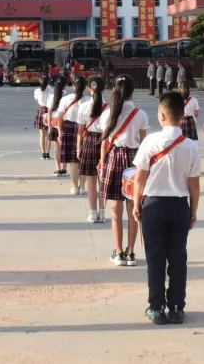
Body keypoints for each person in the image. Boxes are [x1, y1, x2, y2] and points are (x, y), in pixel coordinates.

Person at [131, 91, 201, 326]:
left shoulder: (150, 142)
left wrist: (136, 204)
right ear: (182, 115)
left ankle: (156, 307)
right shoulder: (191, 146)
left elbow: (139, 178)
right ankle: (177, 307)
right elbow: (194, 184)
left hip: (153, 205)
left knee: (155, 258)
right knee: (178, 257)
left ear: (161, 114)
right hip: (180, 205)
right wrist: (193, 211)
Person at [93, 76, 149, 267]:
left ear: (115, 90)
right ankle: (131, 252)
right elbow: (144, 144)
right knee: (133, 207)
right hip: (134, 159)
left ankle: (118, 253)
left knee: (115, 209)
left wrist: (102, 166)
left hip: (114, 158)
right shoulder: (140, 114)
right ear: (132, 91)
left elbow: (104, 144)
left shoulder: (108, 114)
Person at [76, 76, 108, 223]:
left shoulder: (83, 106)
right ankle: (102, 212)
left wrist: (78, 149)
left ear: (89, 89)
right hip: (105, 141)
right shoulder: (109, 107)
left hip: (89, 141)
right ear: (103, 89)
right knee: (103, 179)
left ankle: (93, 213)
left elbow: (80, 131)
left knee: (91, 180)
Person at [55, 76, 89, 195]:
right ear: (85, 87)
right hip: (85, 129)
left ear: (73, 86)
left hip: (68, 128)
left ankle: (75, 187)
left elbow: (60, 118)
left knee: (73, 161)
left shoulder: (65, 99)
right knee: (83, 159)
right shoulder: (89, 100)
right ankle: (82, 187)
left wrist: (60, 133)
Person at [45, 78, 69, 176]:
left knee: (57, 147)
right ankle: (64, 168)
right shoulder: (67, 96)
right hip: (65, 122)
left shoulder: (52, 97)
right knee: (65, 146)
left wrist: (49, 126)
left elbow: (49, 112)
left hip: (54, 122)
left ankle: (58, 168)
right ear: (65, 85)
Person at [34, 76, 52, 161]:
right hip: (49, 110)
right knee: (48, 134)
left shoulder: (37, 91)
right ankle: (47, 153)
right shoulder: (51, 90)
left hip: (41, 110)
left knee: (42, 134)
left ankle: (43, 154)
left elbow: (36, 99)